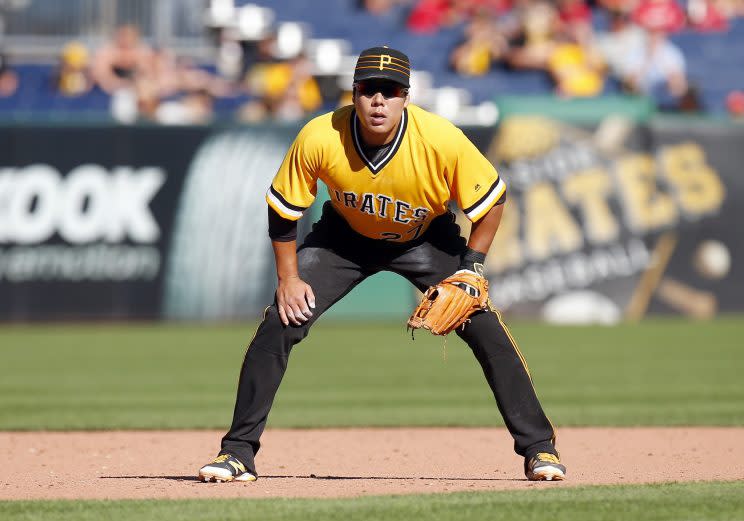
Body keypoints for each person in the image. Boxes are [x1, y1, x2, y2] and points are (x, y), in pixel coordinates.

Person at [198, 46, 566, 483]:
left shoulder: (439, 139)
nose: (378, 101)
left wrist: (472, 267)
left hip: (425, 237)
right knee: (281, 321)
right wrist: (288, 278)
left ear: (406, 97)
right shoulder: (320, 136)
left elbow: (492, 200)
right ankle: (237, 453)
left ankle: (539, 450)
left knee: (487, 331)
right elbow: (283, 211)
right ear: (353, 93)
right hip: (343, 241)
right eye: (369, 89)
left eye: (390, 91)